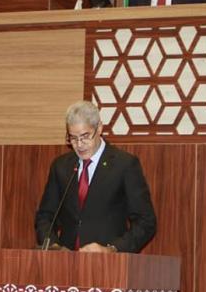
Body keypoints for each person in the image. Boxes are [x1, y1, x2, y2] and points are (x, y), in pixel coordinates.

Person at [34, 101, 157, 253]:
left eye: (85, 136)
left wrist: (112, 250)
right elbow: (45, 217)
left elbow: (146, 222)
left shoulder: (124, 165)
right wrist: (54, 247)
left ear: (99, 128)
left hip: (107, 263)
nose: (79, 144)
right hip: (65, 263)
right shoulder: (61, 166)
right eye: (73, 138)